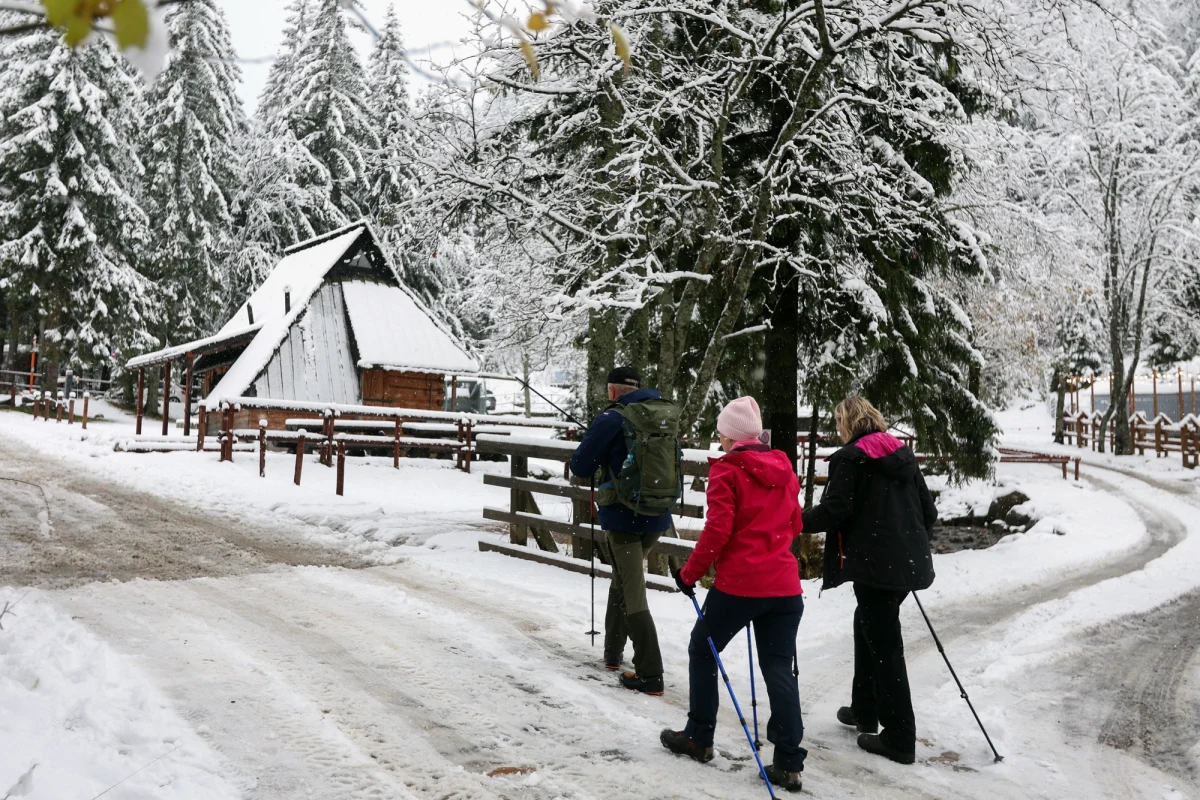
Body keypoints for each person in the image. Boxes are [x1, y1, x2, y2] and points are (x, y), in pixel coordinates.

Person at [661, 396, 807, 794]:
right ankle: (790, 763)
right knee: (778, 666)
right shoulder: (784, 468)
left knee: (702, 648)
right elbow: (794, 524)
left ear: (729, 435)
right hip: (784, 588)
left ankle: (699, 735)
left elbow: (718, 530)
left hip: (740, 586)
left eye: (722, 432)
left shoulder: (727, 470)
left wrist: (690, 574)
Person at [801, 396, 937, 766]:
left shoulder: (851, 458)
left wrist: (795, 521)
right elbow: (929, 512)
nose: (838, 430)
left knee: (886, 645)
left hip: (876, 567)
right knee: (868, 625)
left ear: (847, 423)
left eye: (838, 423)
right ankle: (865, 708)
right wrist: (904, 543)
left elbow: (835, 510)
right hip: (904, 565)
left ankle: (899, 737)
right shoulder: (900, 454)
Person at [569, 366, 678, 695]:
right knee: (624, 575)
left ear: (613, 391)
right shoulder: (663, 413)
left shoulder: (611, 418)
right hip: (658, 515)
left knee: (632, 587)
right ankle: (614, 652)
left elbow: (580, 467)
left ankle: (650, 672)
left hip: (623, 516)